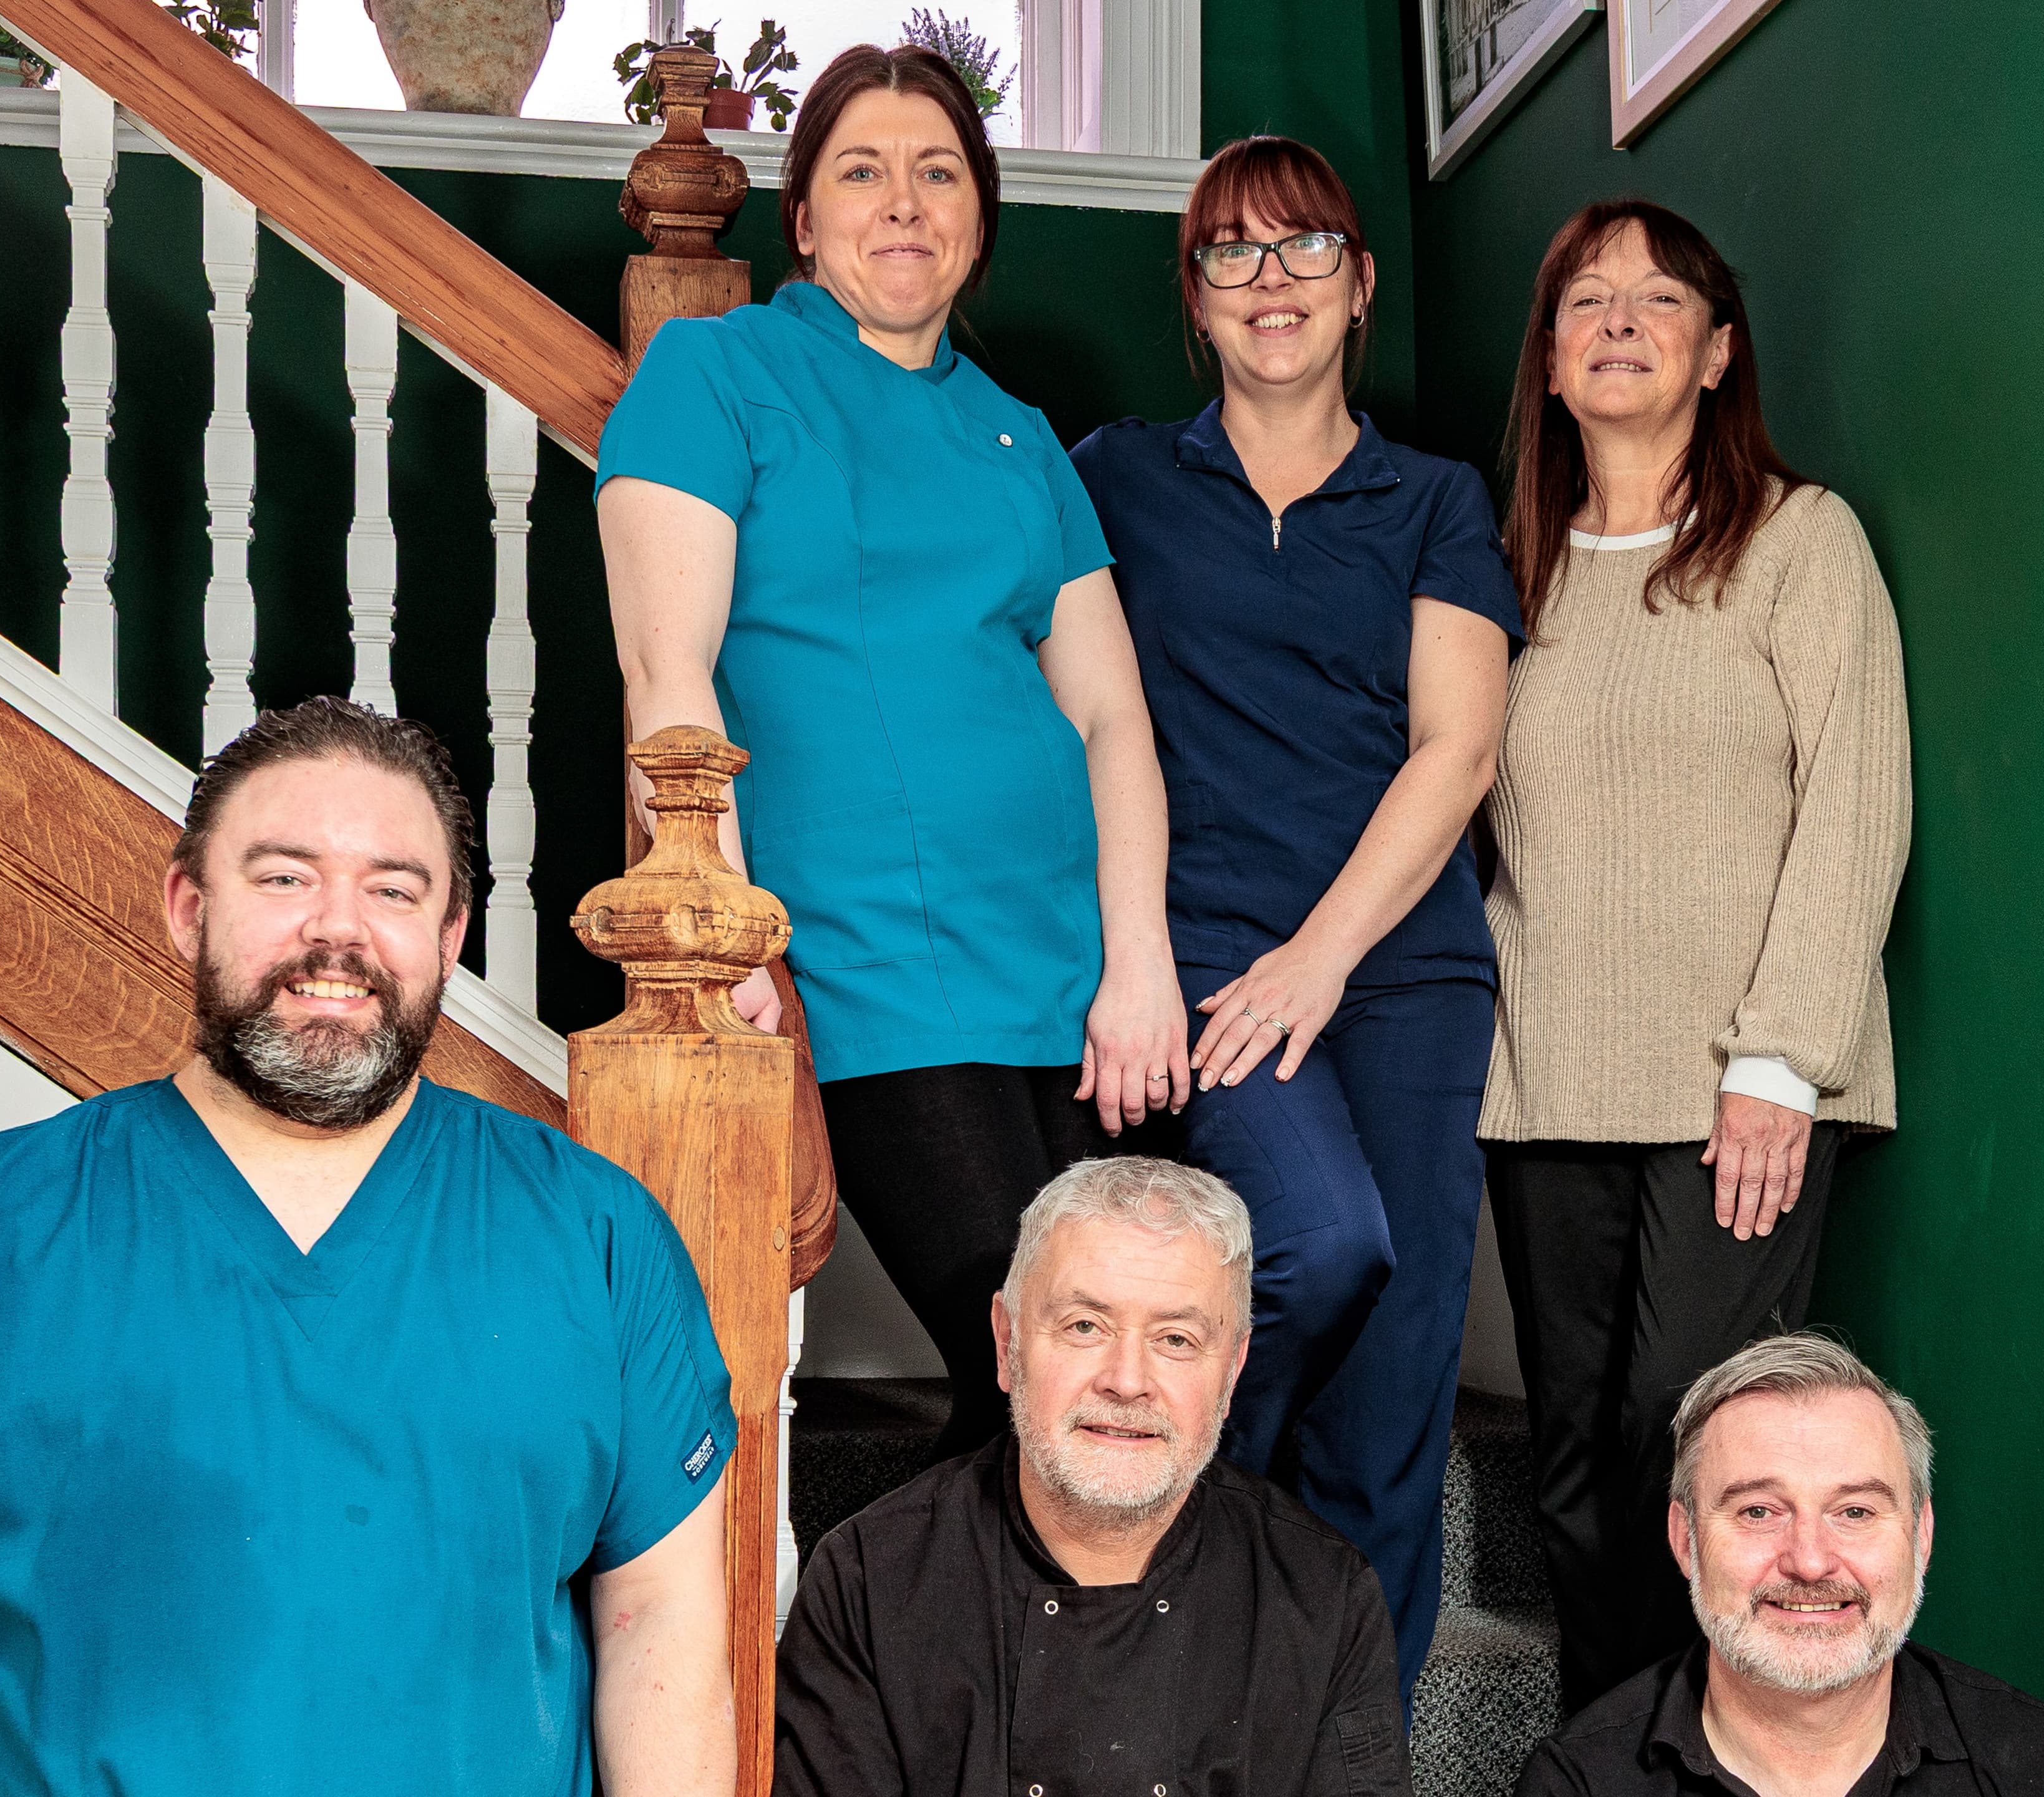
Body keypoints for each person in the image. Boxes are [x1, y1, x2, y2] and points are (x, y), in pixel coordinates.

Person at [0, 699, 737, 1796]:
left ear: (448, 936)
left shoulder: (599, 1237)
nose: (336, 932)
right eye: (284, 878)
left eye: (393, 889)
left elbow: (657, 1620)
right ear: (189, 909)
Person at [598, 43, 1182, 1461]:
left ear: (977, 216)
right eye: (861, 170)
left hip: (1063, 969)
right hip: (866, 959)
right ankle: (977, 1674)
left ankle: (1062, 1675)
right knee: (1029, 1352)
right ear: (802, 219)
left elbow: (1110, 713)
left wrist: (1140, 960)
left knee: (1120, 1353)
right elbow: (664, 670)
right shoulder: (716, 371)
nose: (903, 202)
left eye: (938, 173)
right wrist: (726, 932)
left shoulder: (1017, 434)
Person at [1070, 135, 1521, 1709]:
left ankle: (1350, 1741)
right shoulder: (1116, 475)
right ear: (1190, 299)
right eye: (1230, 254)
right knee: (1319, 1249)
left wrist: (1319, 958)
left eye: (1305, 247)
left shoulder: (1433, 498)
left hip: (1396, 969)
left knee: (1395, 1394)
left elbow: (1456, 747)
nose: (1270, 280)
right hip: (1198, 949)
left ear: (1361, 283)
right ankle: (1190, 1556)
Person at [1479, 198, 1913, 1708]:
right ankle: (1613, 1742)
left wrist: (1780, 1060)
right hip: (1542, 1083)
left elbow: (1855, 801)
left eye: (1656, 299)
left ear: (1716, 351)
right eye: (1584, 300)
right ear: (1543, 360)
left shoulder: (1799, 542)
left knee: (1692, 1428)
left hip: (1740, 1084)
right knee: (1574, 1459)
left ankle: (1711, 1741)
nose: (1616, 320)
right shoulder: (1501, 572)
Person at [775, 1156, 1413, 1796]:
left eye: (1177, 1339)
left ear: (1233, 1371)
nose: (1127, 1380)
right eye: (1086, 1326)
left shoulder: (1323, 1596)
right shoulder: (870, 1579)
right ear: (1007, 1343)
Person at [1515, 1333, 2044, 1796]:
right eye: (1758, 1511)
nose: (1809, 1560)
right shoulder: (1580, 1783)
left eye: (1855, 1511)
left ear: (1922, 1536)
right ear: (1684, 1539)